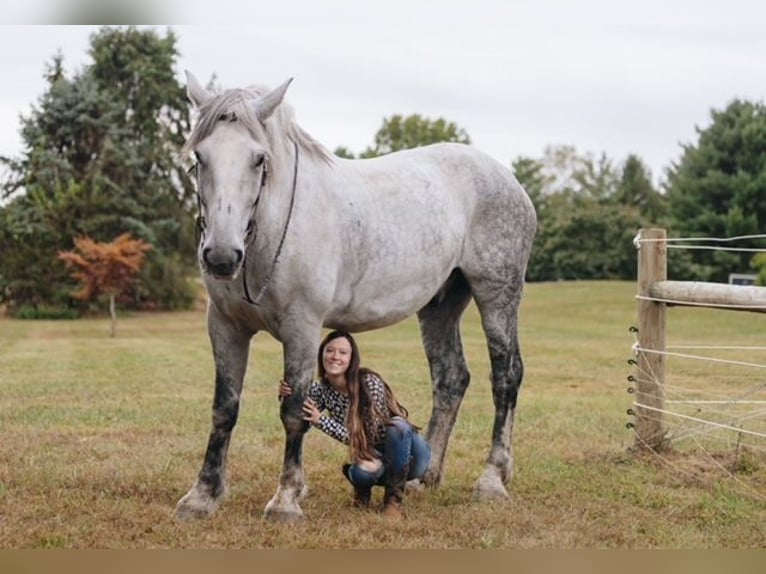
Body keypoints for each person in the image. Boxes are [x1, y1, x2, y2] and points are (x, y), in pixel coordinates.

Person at [278, 330, 431, 518]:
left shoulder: (369, 383)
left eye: (343, 352)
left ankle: (393, 502)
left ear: (352, 359)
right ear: (321, 355)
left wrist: (322, 421)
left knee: (398, 426)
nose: (335, 356)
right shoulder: (321, 389)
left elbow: (369, 435)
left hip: (409, 452)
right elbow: (304, 422)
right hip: (372, 454)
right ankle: (361, 488)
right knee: (362, 473)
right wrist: (290, 396)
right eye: (330, 350)